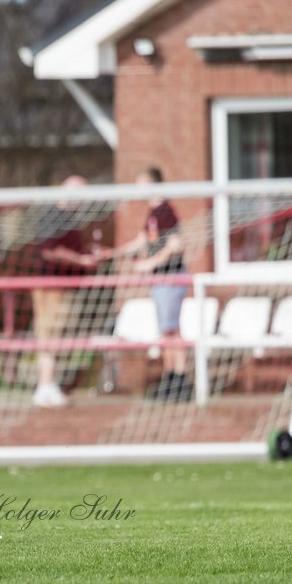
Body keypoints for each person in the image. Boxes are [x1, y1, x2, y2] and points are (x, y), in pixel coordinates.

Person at [97, 166, 189, 401]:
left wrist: (151, 264)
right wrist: (113, 253)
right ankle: (170, 376)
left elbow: (175, 245)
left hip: (170, 277)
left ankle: (179, 378)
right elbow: (143, 241)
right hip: (160, 279)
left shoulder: (166, 211)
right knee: (166, 330)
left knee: (171, 330)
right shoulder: (153, 213)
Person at [30, 175, 99, 407]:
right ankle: (45, 386)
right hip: (52, 287)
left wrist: (87, 254)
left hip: (66, 286)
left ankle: (48, 384)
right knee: (49, 336)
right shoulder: (53, 215)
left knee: (56, 338)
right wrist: (80, 260)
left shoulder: (71, 219)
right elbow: (51, 251)